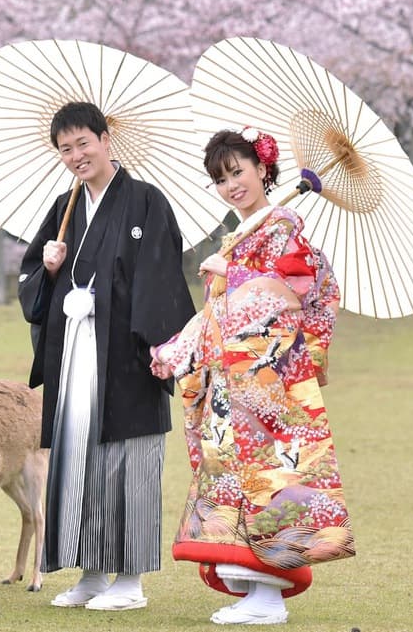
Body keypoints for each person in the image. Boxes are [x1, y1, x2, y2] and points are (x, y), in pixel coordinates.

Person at [151, 128, 354, 626]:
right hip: (232, 383)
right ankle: (252, 590)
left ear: (263, 169)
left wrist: (235, 273)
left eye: (237, 172)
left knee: (269, 479)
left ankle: (269, 597)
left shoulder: (282, 223)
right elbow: (220, 313)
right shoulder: (244, 233)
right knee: (231, 479)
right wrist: (178, 351)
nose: (231, 185)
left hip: (266, 382)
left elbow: (293, 292)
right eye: (220, 179)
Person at [19, 101, 195, 612]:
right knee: (78, 456)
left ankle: (130, 579)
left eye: (83, 143)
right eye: (65, 149)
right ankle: (92, 572)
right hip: (74, 354)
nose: (77, 156)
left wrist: (131, 327)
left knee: (127, 462)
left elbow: (159, 277)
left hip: (123, 356)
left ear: (105, 138)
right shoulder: (63, 208)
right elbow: (33, 282)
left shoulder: (145, 202)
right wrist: (50, 271)